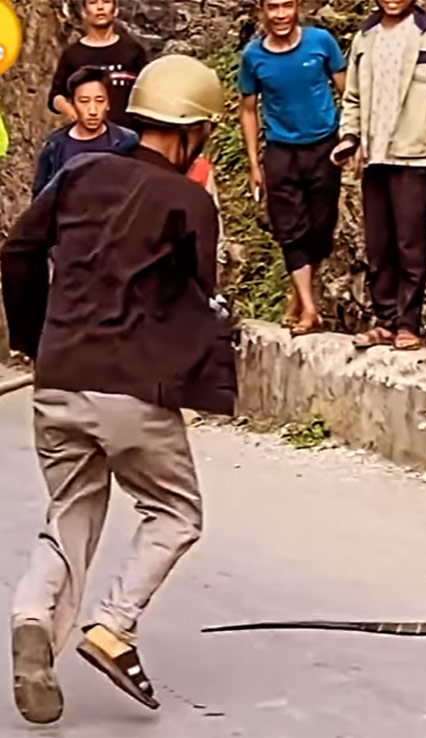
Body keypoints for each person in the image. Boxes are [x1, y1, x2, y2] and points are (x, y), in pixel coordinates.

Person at [3, 55, 234, 724]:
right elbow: (199, 298)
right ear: (191, 132)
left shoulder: (78, 174)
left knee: (71, 508)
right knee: (175, 514)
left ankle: (31, 617)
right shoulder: (189, 201)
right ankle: (113, 626)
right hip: (132, 387)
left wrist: (34, 339)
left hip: (60, 377)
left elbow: (18, 251)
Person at [331, 0, 426, 351]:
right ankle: (384, 320)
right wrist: (349, 137)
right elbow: (353, 98)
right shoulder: (366, 36)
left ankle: (408, 323)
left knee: (410, 243)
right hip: (375, 156)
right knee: (379, 244)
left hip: (414, 153)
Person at [239, 0, 347, 335]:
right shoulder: (253, 57)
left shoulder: (321, 42)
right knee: (290, 229)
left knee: (321, 226)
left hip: (324, 145)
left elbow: (348, 90)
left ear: (297, 7)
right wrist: (254, 162)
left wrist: (354, 137)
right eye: (273, 7)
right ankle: (309, 309)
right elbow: (248, 110)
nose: (281, 14)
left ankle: (298, 295)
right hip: (281, 150)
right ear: (262, 12)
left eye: (287, 5)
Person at [33, 66, 138, 199]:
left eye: (100, 101)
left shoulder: (126, 141)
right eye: (84, 101)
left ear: (108, 103)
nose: (92, 110)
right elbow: (40, 197)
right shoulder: (55, 145)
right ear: (73, 104)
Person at [48, 0, 147, 129]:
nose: (100, 7)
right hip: (87, 138)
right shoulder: (73, 54)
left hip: (129, 136)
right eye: (93, 3)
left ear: (115, 9)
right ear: (84, 12)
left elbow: (146, 92)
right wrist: (71, 111)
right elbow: (56, 96)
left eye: (106, 2)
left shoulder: (133, 50)